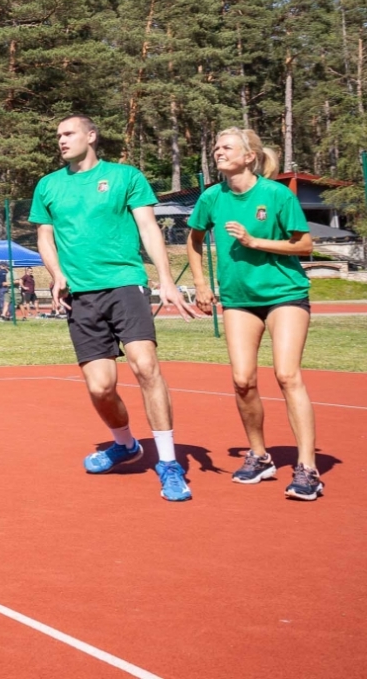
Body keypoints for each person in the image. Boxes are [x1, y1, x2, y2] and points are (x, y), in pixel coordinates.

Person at [31, 114, 198, 503]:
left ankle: (169, 463)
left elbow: (148, 228)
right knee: (101, 386)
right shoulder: (49, 186)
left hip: (125, 283)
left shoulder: (126, 177)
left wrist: (166, 279)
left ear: (91, 136)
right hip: (81, 295)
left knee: (144, 365)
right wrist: (56, 275)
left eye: (69, 133)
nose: (61, 140)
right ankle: (125, 445)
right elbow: (45, 237)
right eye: (58, 135)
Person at [186, 128, 322, 501]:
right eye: (215, 147)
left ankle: (308, 468)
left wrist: (254, 241)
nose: (218, 152)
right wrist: (200, 283)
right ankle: (260, 456)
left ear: (249, 157)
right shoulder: (212, 197)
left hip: (284, 294)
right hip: (238, 299)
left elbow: (305, 244)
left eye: (226, 147)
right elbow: (193, 240)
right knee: (243, 380)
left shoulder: (276, 194)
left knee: (286, 374)